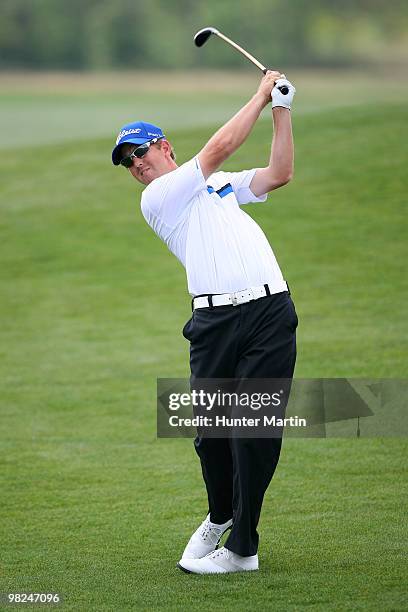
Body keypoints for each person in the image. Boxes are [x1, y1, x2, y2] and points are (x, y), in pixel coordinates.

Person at [112, 71, 298, 575]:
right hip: (214, 321)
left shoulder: (216, 186)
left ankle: (242, 549)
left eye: (138, 152)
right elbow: (218, 148)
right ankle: (219, 517)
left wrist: (281, 108)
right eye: (127, 162)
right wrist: (260, 95)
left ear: (163, 146)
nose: (134, 165)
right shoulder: (159, 197)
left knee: (252, 430)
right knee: (211, 434)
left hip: (269, 312)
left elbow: (278, 174)